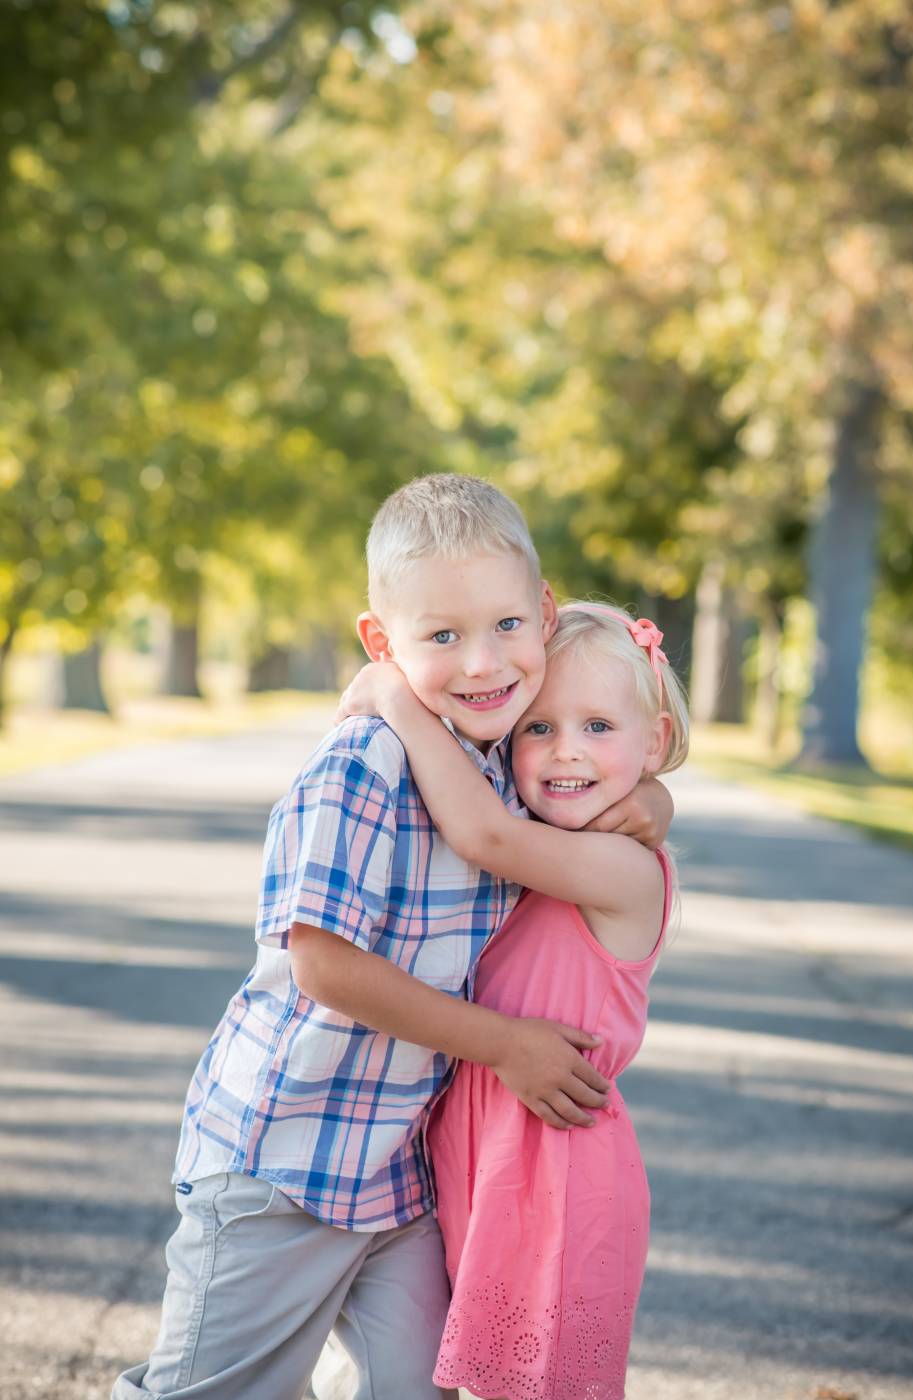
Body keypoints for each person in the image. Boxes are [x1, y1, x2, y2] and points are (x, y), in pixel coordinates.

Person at [112, 476, 674, 1400]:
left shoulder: (508, 761)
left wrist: (650, 793)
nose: (480, 662)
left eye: (504, 625)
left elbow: (580, 782)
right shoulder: (363, 764)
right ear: (381, 643)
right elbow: (322, 967)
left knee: (415, 1385)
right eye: (441, 636)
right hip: (289, 1158)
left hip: (403, 1176)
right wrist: (505, 1045)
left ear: (541, 615)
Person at [337, 599, 689, 1400]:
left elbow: (483, 835)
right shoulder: (549, 840)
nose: (566, 750)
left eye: (598, 726)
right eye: (538, 727)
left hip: (554, 1164)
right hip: (474, 1146)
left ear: (654, 742)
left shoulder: (622, 867)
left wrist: (395, 695)